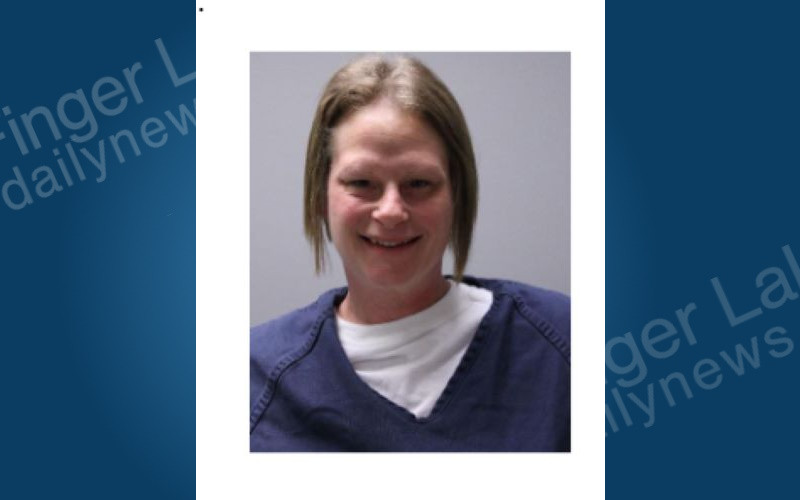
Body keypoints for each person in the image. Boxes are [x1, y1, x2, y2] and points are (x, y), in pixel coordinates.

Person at [250, 55, 570, 452]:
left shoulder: (563, 348)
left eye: (419, 183)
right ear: (319, 196)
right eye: (361, 182)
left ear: (458, 195)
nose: (391, 211)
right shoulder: (251, 381)